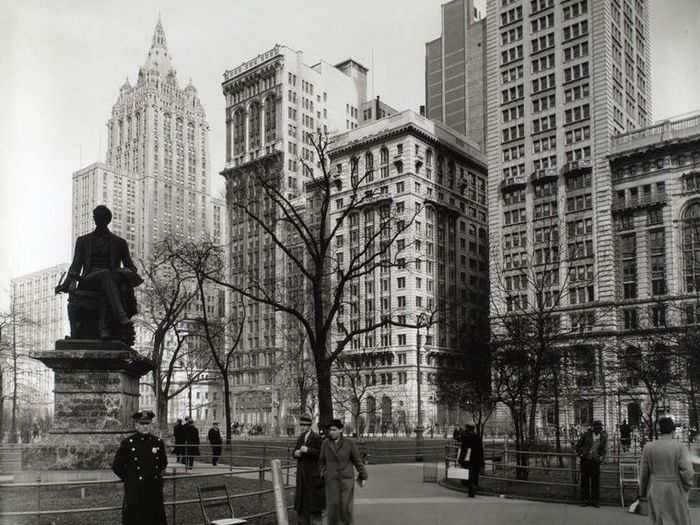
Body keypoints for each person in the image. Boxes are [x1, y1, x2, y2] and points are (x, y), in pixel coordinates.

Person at [56, 205, 143, 341]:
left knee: (106, 277)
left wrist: (120, 273)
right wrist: (66, 284)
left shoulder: (120, 243)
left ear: (107, 220)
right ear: (94, 219)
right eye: (97, 217)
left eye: (101, 218)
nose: (98, 220)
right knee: (105, 275)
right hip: (87, 281)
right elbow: (76, 266)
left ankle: (104, 329)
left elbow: (131, 268)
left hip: (109, 283)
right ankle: (121, 318)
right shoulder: (83, 241)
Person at [112, 411, 168, 525]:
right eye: (142, 424)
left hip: (153, 490)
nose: (145, 426)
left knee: (154, 520)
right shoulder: (128, 443)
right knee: (135, 519)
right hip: (136, 491)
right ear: (136, 425)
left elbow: (163, 463)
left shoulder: (157, 442)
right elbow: (117, 465)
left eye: (147, 423)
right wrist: (129, 479)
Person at [639, 417, 693, 525]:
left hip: (656, 488)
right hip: (674, 488)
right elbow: (688, 471)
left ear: (659, 431)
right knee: (677, 520)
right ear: (673, 430)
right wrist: (686, 486)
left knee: (658, 520)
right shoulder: (680, 447)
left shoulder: (648, 447)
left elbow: (644, 474)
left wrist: (643, 492)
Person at [319, 419, 367, 525]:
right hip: (331, 480)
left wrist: (363, 475)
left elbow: (357, 460)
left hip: (346, 480)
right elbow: (321, 460)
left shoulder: (349, 443)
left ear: (340, 430)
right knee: (333, 507)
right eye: (330, 430)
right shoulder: (325, 444)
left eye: (334, 430)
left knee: (346, 507)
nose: (331, 432)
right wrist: (324, 472)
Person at [293, 414, 324, 525]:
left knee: (314, 507)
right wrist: (296, 453)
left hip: (312, 476)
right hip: (301, 477)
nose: (302, 427)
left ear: (310, 426)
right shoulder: (301, 437)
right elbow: (295, 451)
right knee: (302, 505)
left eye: (305, 425)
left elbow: (321, 454)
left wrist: (308, 450)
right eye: (301, 425)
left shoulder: (316, 438)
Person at [575, 420, 608, 507]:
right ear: (593, 427)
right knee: (585, 481)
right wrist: (581, 454)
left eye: (600, 427)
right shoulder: (586, 435)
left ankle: (595, 501)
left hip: (595, 461)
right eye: (597, 427)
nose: (599, 429)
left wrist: (602, 458)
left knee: (595, 482)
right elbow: (578, 446)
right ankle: (585, 500)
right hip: (586, 460)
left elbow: (604, 450)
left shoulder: (603, 437)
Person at [457, 423, 485, 497]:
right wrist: (482, 463)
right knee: (474, 475)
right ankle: (472, 489)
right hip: (476, 460)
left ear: (468, 429)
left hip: (467, 459)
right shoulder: (477, 437)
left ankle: (471, 488)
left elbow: (462, 448)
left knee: (467, 475)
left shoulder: (466, 437)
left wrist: (460, 460)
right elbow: (481, 451)